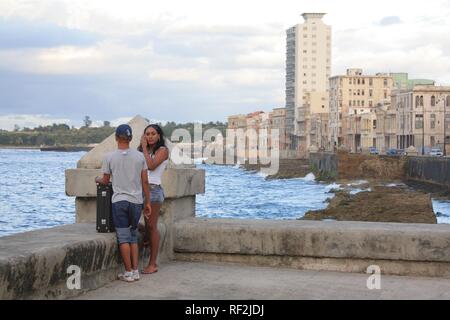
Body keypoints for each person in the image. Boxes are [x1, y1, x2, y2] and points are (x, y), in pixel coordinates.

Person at [96, 124, 151, 282]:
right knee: (133, 236)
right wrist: (146, 202)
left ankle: (127, 272)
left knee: (123, 238)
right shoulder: (140, 157)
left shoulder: (109, 157)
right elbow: (145, 181)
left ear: (116, 138)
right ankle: (135, 271)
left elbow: (105, 180)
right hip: (136, 201)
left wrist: (97, 179)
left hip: (119, 201)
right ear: (131, 138)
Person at [138, 124, 169, 274]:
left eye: (153, 134)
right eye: (147, 134)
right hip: (139, 190)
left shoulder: (163, 151)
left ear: (158, 136)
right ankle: (146, 236)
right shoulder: (142, 151)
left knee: (151, 226)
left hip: (154, 191)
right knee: (133, 223)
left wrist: (143, 148)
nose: (150, 136)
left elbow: (150, 166)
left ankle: (153, 264)